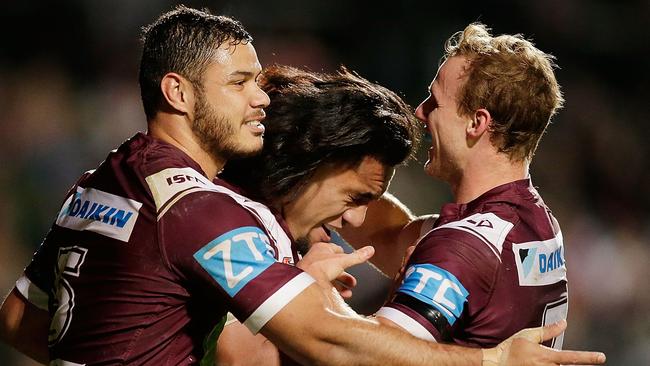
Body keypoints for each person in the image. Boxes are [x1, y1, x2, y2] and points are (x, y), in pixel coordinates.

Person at [0, 6, 605, 366]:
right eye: (239, 83)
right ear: (179, 92)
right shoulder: (209, 212)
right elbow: (329, 345)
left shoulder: (105, 178)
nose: (260, 96)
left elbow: (21, 320)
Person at [371, 22, 571, 349]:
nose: (420, 112)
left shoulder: (465, 247)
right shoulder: (534, 222)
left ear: (476, 123)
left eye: (435, 101)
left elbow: (363, 353)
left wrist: (311, 287)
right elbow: (388, 236)